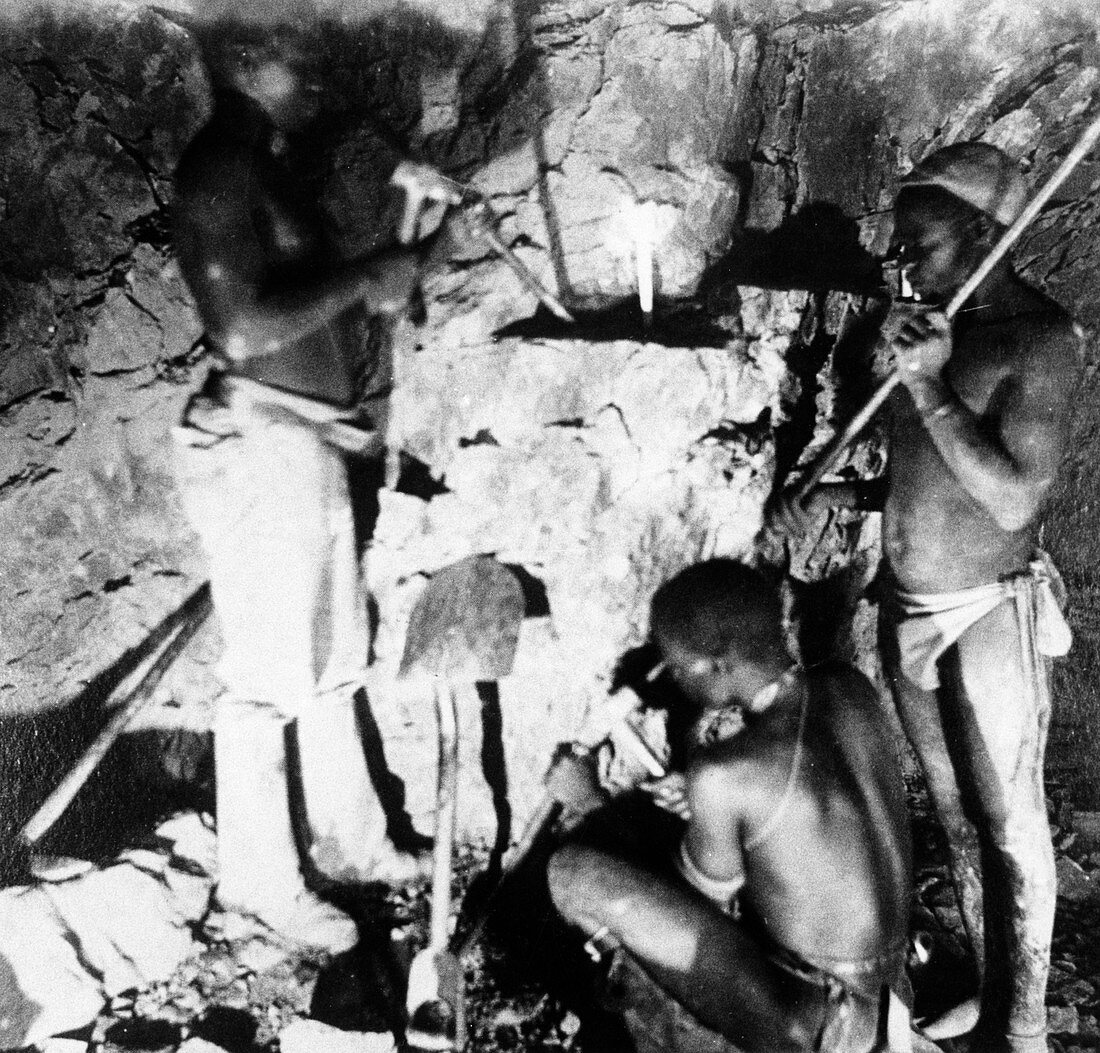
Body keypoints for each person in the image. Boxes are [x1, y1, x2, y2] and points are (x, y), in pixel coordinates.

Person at [775, 142, 1082, 1052]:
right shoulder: (928, 336)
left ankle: (1024, 1026)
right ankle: (992, 994)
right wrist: (839, 493)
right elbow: (925, 484)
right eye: (900, 248)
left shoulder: (1041, 339)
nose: (905, 265)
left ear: (991, 233)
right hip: (908, 605)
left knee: (1009, 816)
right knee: (950, 811)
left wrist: (929, 385)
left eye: (926, 246)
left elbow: (1012, 495)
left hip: (990, 610)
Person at [172, 12, 452, 952]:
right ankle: (259, 887)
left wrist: (413, 246)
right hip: (258, 440)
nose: (320, 72)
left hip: (309, 437)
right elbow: (244, 330)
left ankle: (357, 840)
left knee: (334, 660)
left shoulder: (270, 166)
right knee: (263, 680)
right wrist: (374, 265)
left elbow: (351, 303)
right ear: (246, 61)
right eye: (299, 54)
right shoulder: (218, 170)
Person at [545, 559, 913, 1053]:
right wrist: (709, 806)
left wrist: (590, 804)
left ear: (719, 666)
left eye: (678, 667)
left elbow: (707, 907)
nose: (674, 681)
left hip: (820, 1021)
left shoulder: (723, 775)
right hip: (891, 992)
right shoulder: (848, 685)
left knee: (573, 873)